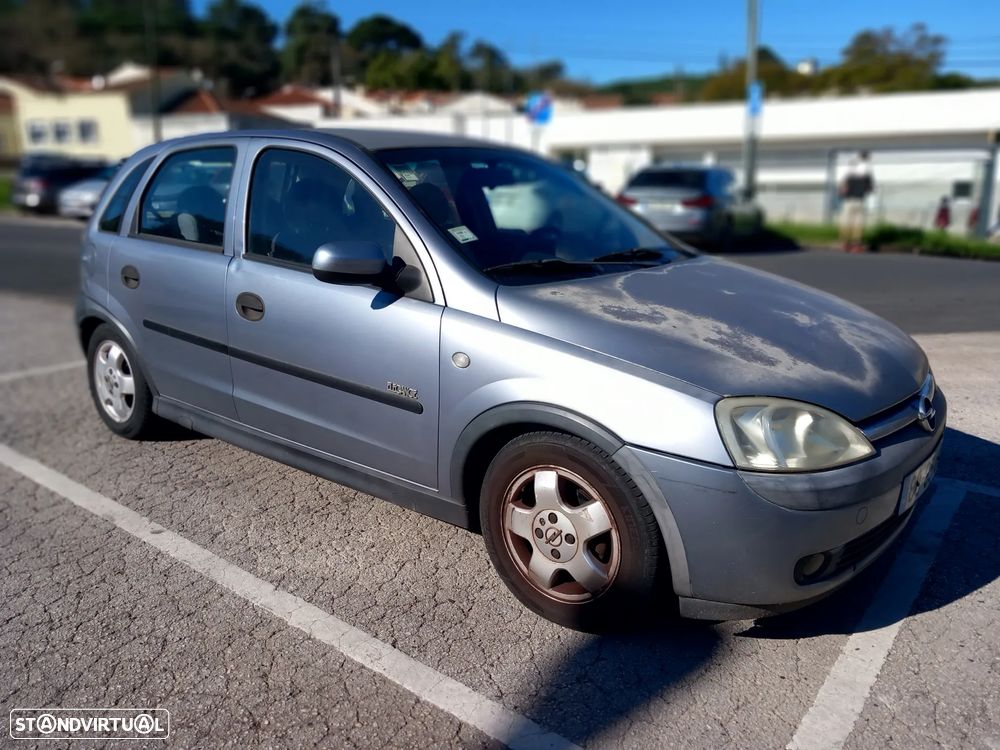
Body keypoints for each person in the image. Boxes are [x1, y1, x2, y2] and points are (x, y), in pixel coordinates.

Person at [839, 151, 874, 253]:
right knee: (859, 222)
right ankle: (856, 245)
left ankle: (845, 243)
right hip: (860, 199)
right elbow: (870, 187)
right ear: (866, 157)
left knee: (846, 220)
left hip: (849, 199)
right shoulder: (868, 168)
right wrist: (868, 188)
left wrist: (843, 188)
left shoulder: (850, 165)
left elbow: (843, 182)